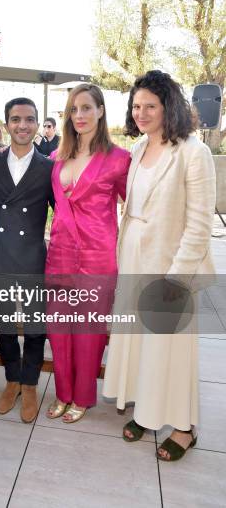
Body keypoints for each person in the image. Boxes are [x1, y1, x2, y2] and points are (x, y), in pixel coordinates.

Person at [103, 70, 216, 461]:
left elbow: (200, 224)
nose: (142, 113)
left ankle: (184, 428)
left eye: (150, 105)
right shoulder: (137, 150)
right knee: (142, 345)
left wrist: (177, 279)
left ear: (170, 106)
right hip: (134, 259)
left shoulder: (193, 151)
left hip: (170, 266)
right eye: (136, 106)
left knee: (171, 350)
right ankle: (148, 413)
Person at [46, 83, 130, 423]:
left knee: (87, 332)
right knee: (58, 329)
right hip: (60, 253)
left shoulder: (120, 158)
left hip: (97, 257)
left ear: (100, 111)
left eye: (86, 108)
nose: (79, 115)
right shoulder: (56, 156)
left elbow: (137, 206)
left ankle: (81, 397)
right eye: (73, 109)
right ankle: (63, 393)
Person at [0, 98, 54, 423]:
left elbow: (65, 215)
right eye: (16, 119)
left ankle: (29, 384)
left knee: (35, 328)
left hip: (31, 257)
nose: (22, 125)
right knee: (4, 326)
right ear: (7, 123)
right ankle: (12, 380)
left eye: (29, 119)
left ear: (37, 124)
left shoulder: (49, 168)